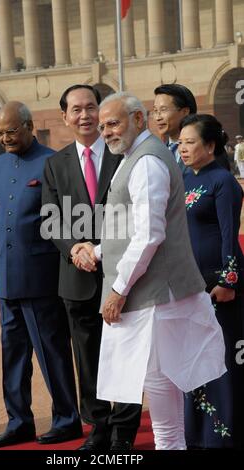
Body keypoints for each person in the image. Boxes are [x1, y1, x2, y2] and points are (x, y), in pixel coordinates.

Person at [74, 92, 226, 450]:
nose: (107, 132)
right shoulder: (136, 159)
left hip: (155, 299)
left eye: (114, 123)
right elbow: (131, 230)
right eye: (103, 126)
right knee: (164, 398)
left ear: (138, 120)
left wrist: (118, 290)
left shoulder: (145, 163)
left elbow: (148, 235)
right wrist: (96, 251)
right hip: (154, 295)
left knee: (161, 400)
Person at [41, 85, 142, 451]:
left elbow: (135, 215)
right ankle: (98, 428)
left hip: (122, 275)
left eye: (90, 108)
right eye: (76, 110)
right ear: (65, 117)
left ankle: (125, 430)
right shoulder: (55, 164)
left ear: (101, 112)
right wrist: (75, 252)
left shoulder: (125, 156)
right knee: (87, 358)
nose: (84, 115)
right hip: (77, 277)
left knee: (126, 353)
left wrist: (99, 250)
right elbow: (50, 220)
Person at [0, 101, 82, 448]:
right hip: (7, 279)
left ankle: (66, 419)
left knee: (52, 352)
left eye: (10, 131)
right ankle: (19, 421)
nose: (5, 138)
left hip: (42, 276)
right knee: (13, 356)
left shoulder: (53, 161)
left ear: (28, 126)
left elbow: (66, 220)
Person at [179, 114, 244, 449]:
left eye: (190, 142)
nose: (183, 147)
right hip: (190, 289)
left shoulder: (223, 183)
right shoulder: (184, 178)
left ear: (210, 145)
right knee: (193, 362)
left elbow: (228, 235)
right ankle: (197, 435)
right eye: (181, 142)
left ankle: (222, 437)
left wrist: (228, 281)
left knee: (220, 362)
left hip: (219, 290)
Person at [153, 83, 230, 171]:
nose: (158, 117)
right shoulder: (160, 152)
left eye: (163, 110)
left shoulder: (208, 151)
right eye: (155, 111)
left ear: (185, 112)